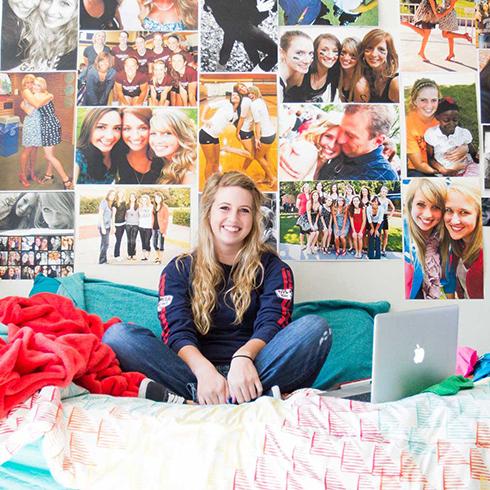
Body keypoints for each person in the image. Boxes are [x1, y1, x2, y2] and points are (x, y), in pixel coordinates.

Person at [102, 171, 332, 405]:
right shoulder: (178, 269)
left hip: (254, 370)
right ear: (209, 212)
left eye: (244, 210)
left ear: (253, 218)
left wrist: (243, 358)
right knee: (118, 336)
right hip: (192, 375)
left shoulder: (274, 268)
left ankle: (206, 400)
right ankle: (244, 399)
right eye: (224, 208)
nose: (233, 218)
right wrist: (204, 372)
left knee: (315, 328)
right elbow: (176, 330)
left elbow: (273, 323)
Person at [406, 78, 469, 177]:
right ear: (414, 101)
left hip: (450, 163)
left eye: (434, 100)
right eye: (423, 100)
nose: (429, 106)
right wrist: (444, 171)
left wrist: (465, 147)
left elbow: (461, 135)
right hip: (423, 170)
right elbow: (419, 165)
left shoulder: (444, 116)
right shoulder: (408, 124)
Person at [318, 105, 398, 180]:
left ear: (378, 141)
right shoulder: (338, 149)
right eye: (341, 130)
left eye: (350, 135)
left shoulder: (383, 176)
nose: (340, 140)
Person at [403, 178, 450, 299]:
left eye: (436, 207)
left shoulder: (445, 235)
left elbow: (450, 279)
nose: (428, 214)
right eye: (420, 205)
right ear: (410, 204)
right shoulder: (403, 236)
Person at [2, 0, 77, 71]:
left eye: (65, 3)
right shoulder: (19, 29)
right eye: (47, 0)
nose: (51, 11)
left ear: (76, 10)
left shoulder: (76, 47)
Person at [204, 0, 277, 71]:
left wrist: (272, 5)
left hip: (247, 18)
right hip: (236, 21)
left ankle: (255, 65)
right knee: (233, 36)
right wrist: (257, 8)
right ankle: (255, 67)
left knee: (236, 38)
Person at [31, 77, 73, 189]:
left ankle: (66, 181)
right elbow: (47, 98)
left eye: (38, 85)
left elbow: (36, 105)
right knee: (50, 155)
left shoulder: (36, 96)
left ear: (42, 86)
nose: (34, 87)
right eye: (34, 84)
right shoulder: (46, 94)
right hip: (53, 123)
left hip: (48, 126)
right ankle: (48, 175)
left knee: (48, 155)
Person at [444, 180, 483, 299]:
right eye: (449, 210)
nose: (454, 221)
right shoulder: (458, 244)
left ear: (479, 215)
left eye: (464, 212)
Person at [280, 110, 343, 181]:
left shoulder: (328, 167)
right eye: (328, 136)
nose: (331, 145)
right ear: (319, 133)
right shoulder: (308, 151)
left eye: (339, 141)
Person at [424, 97, 479, 177]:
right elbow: (430, 159)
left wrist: (478, 156)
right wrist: (444, 171)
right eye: (446, 120)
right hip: (445, 172)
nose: (452, 124)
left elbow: (474, 154)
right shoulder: (431, 134)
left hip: (466, 169)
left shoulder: (463, 133)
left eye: (455, 120)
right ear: (437, 117)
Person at [287, 33, 341, 103]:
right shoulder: (302, 72)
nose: (330, 56)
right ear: (315, 51)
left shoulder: (333, 74)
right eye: (324, 50)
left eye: (335, 51)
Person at [200, 91, 241, 179]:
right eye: (233, 95)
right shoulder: (226, 103)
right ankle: (208, 184)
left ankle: (217, 180)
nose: (234, 96)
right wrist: (203, 118)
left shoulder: (237, 113)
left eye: (237, 95)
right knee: (210, 162)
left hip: (215, 136)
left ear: (240, 98)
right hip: (206, 133)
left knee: (216, 162)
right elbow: (208, 106)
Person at [149, 109, 196, 184]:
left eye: (167, 133)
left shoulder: (189, 175)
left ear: (182, 135)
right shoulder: (164, 161)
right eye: (153, 133)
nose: (157, 140)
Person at [116, 108, 163, 184]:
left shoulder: (165, 158)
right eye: (127, 128)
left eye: (142, 128)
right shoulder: (114, 158)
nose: (135, 136)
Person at [75, 108, 122, 184]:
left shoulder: (118, 152)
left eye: (117, 128)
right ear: (88, 128)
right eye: (101, 127)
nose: (110, 136)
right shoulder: (79, 157)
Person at [358, 29, 399, 103]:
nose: (373, 54)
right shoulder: (363, 78)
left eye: (381, 49)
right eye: (369, 48)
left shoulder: (396, 83)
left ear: (389, 53)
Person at [248, 86, 276, 188]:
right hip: (271, 132)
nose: (250, 95)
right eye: (248, 94)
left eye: (252, 93)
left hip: (266, 135)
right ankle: (267, 177)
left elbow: (257, 124)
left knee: (258, 156)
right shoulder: (261, 101)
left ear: (256, 92)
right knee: (265, 157)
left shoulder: (254, 104)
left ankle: (272, 177)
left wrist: (257, 139)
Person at [19, 75, 42, 188]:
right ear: (24, 84)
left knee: (35, 149)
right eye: (27, 82)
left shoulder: (34, 92)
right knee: (28, 149)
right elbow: (36, 105)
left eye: (32, 82)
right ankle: (23, 174)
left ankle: (31, 172)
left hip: (37, 123)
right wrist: (26, 108)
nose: (29, 84)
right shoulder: (26, 91)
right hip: (30, 123)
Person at [279, 31, 314, 103]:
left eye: (310, 53)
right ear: (282, 53)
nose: (307, 61)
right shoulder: (278, 87)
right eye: (300, 53)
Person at [338, 37, 366, 103]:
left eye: (353, 55)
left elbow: (360, 109)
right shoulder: (339, 73)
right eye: (343, 52)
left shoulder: (361, 85)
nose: (346, 58)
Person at [98, 191, 115, 265]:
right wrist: (103, 227)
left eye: (114, 195)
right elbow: (100, 215)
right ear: (108, 195)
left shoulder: (111, 204)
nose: (112, 196)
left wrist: (112, 226)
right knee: (106, 243)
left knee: (103, 243)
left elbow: (111, 217)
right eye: (111, 194)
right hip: (103, 226)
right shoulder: (104, 202)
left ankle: (103, 259)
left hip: (107, 226)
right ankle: (102, 260)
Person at [152, 192, 169, 264]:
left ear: (161, 198)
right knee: (154, 243)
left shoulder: (165, 207)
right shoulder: (154, 207)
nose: (157, 199)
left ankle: (160, 259)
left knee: (161, 244)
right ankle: (158, 256)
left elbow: (166, 220)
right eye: (156, 198)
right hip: (154, 227)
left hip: (161, 228)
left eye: (158, 198)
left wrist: (164, 232)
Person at [378, 186, 395, 257]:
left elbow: (393, 208)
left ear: (387, 193)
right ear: (380, 192)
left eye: (385, 192)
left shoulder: (388, 200)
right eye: (382, 191)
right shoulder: (377, 199)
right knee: (379, 234)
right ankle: (379, 248)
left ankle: (384, 249)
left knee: (386, 234)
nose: (383, 193)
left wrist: (391, 215)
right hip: (378, 217)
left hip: (385, 217)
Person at [366, 195, 383, 260]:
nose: (374, 203)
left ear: (378, 202)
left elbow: (380, 220)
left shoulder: (381, 209)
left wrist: (376, 230)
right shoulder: (368, 208)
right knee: (371, 235)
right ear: (371, 202)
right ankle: (370, 255)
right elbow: (369, 219)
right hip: (371, 223)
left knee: (377, 236)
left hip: (379, 223)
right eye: (373, 201)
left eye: (376, 201)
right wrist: (372, 229)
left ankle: (378, 255)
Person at [112, 190, 127, 262]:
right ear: (117, 195)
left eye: (121, 193)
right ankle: (116, 255)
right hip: (117, 224)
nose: (120, 195)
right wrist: (113, 226)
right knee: (118, 240)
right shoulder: (115, 203)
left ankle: (118, 254)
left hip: (123, 224)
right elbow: (113, 216)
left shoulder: (124, 203)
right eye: (119, 193)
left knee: (120, 240)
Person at [295, 183, 310, 250]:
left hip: (309, 214)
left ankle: (308, 244)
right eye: (305, 187)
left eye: (308, 187)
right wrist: (301, 211)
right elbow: (297, 205)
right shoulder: (300, 195)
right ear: (303, 188)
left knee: (308, 230)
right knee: (302, 231)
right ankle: (301, 244)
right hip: (302, 214)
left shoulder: (310, 195)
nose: (307, 189)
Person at [138, 194, 153, 262]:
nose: (144, 201)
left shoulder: (151, 207)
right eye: (143, 200)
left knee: (147, 241)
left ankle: (148, 254)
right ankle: (145, 256)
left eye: (145, 200)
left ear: (148, 200)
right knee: (143, 242)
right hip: (141, 226)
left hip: (149, 227)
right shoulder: (139, 207)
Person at [125, 193, 139, 261]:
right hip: (128, 224)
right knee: (129, 240)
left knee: (133, 240)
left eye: (133, 197)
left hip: (135, 225)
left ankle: (133, 254)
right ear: (129, 198)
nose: (132, 198)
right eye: (131, 197)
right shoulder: (127, 205)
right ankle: (129, 254)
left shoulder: (138, 205)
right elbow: (124, 214)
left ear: (135, 198)